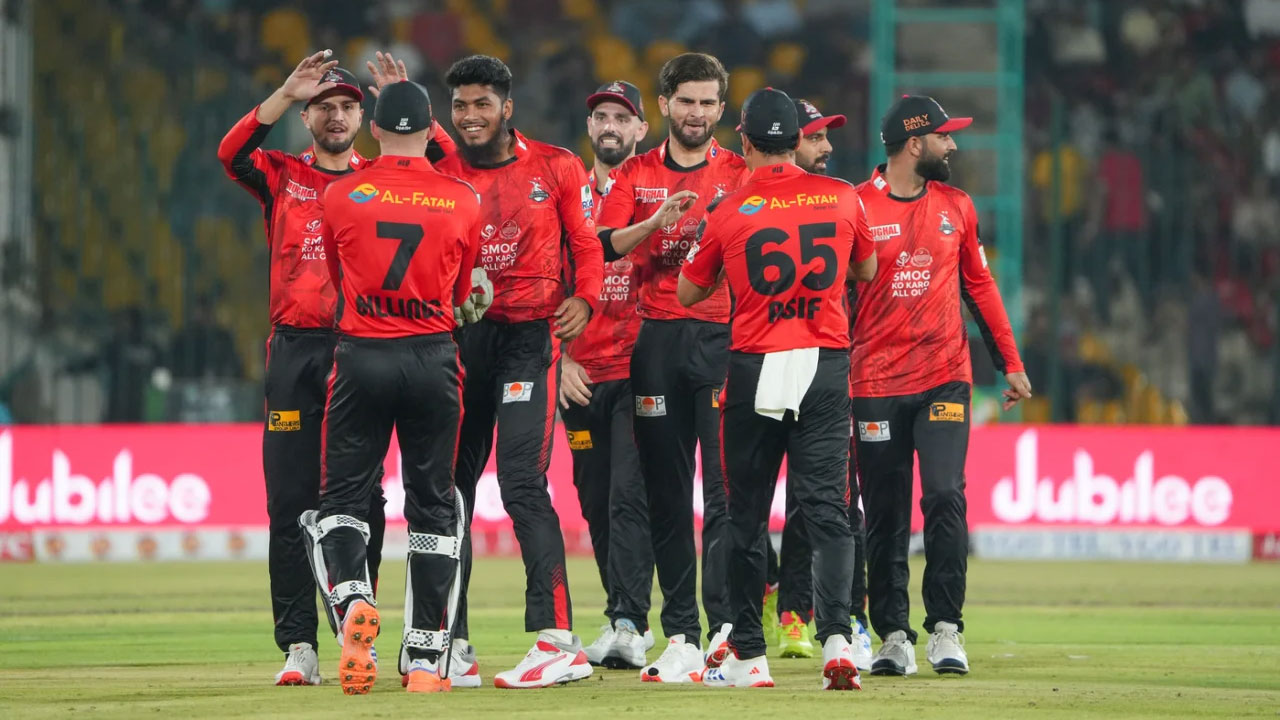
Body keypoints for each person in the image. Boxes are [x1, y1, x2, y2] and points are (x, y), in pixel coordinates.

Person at [678, 87, 876, 690]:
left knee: (744, 512)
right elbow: (866, 269)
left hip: (755, 362)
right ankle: (838, 639)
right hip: (824, 362)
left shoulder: (730, 208)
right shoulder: (842, 196)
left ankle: (749, 653)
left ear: (743, 142)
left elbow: (688, 292)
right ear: (796, 141)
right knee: (827, 508)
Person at [216, 50, 389, 687]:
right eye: (323, 107)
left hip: (361, 348)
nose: (336, 116)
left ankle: (356, 627)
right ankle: (299, 644)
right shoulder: (282, 174)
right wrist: (283, 93)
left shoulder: (384, 179)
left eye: (347, 107)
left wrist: (404, 104)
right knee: (289, 502)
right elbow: (230, 153)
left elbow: (450, 170)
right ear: (307, 117)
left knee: (363, 499)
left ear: (362, 118)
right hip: (294, 352)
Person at [304, 79, 482, 695]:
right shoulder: (462, 197)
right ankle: (427, 660)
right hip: (433, 357)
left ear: (374, 129)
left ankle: (354, 600)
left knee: (343, 498)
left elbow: (337, 278)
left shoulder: (341, 194)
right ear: (431, 130)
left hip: (362, 355)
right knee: (433, 504)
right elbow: (463, 292)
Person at [434, 54, 604, 690]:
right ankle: (450, 641)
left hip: (530, 340)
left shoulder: (556, 166)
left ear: (507, 107)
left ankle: (557, 642)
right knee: (450, 489)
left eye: (482, 104)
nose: (470, 116)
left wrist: (586, 297)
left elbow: (585, 242)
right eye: (460, 106)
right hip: (463, 337)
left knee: (521, 483)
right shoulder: (440, 171)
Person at [853, 95, 1031, 676]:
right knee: (884, 512)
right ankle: (892, 636)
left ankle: (946, 629)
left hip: (943, 377)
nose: (952, 145)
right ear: (914, 144)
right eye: (943, 136)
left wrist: (1009, 361)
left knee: (945, 496)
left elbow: (979, 285)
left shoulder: (957, 205)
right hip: (873, 382)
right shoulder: (856, 206)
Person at [594, 52, 748, 683]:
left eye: (709, 102)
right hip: (655, 342)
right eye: (687, 101)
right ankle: (682, 632)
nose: (697, 113)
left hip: (723, 340)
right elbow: (604, 245)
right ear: (664, 105)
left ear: (721, 108)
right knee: (666, 494)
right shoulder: (635, 173)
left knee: (724, 493)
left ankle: (728, 629)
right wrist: (654, 223)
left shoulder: (740, 171)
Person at [757, 98, 874, 670]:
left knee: (830, 501)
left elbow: (866, 273)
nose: (827, 148)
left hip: (827, 363)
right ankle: (777, 602)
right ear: (788, 144)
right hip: (764, 361)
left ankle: (833, 617)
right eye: (816, 137)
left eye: (829, 137)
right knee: (748, 501)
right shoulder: (753, 203)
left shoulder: (841, 199)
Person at [560, 80, 657, 669]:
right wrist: (559, 358)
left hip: (638, 369)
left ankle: (630, 622)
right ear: (590, 127)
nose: (611, 126)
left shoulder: (654, 189)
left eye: (622, 117)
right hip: (579, 375)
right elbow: (542, 280)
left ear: (641, 128)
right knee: (595, 501)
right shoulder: (565, 194)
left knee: (627, 496)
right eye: (601, 116)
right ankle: (621, 613)